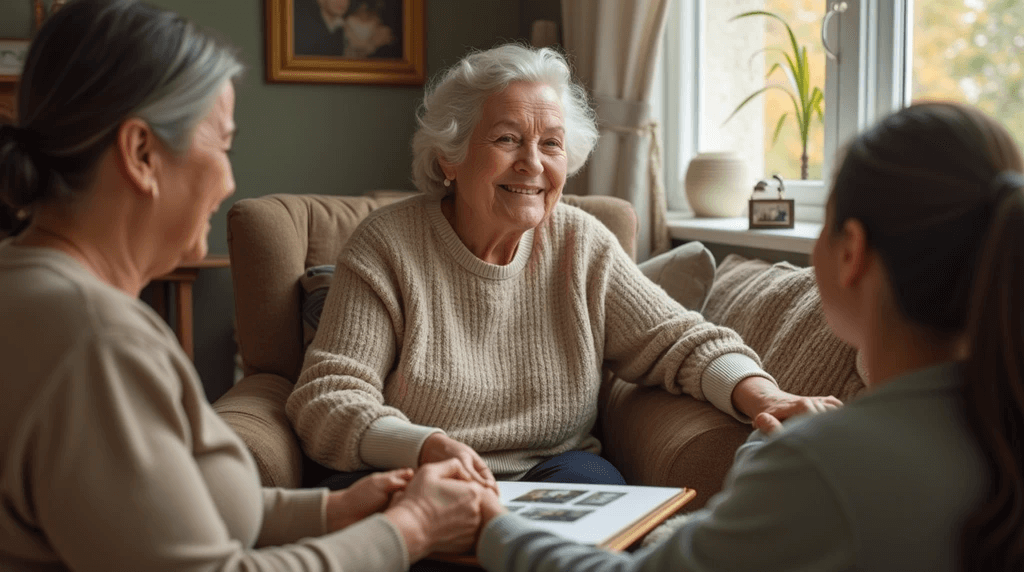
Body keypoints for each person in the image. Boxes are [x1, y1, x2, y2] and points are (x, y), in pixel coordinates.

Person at [0, 1, 485, 570]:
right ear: (141, 153)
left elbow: (155, 514)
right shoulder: (95, 340)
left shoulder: (31, 289)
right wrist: (413, 529)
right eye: (223, 145)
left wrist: (333, 511)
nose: (231, 180)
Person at [472, 101, 1024, 571]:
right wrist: (771, 444)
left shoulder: (826, 465)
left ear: (851, 252)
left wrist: (487, 524)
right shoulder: (990, 425)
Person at [287, 42, 840, 492]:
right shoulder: (387, 245)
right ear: (448, 156)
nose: (532, 163)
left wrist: (763, 395)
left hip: (549, 472)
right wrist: (423, 445)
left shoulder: (579, 242)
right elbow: (330, 397)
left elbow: (680, 342)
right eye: (507, 139)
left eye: (550, 144)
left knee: (599, 495)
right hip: (410, 471)